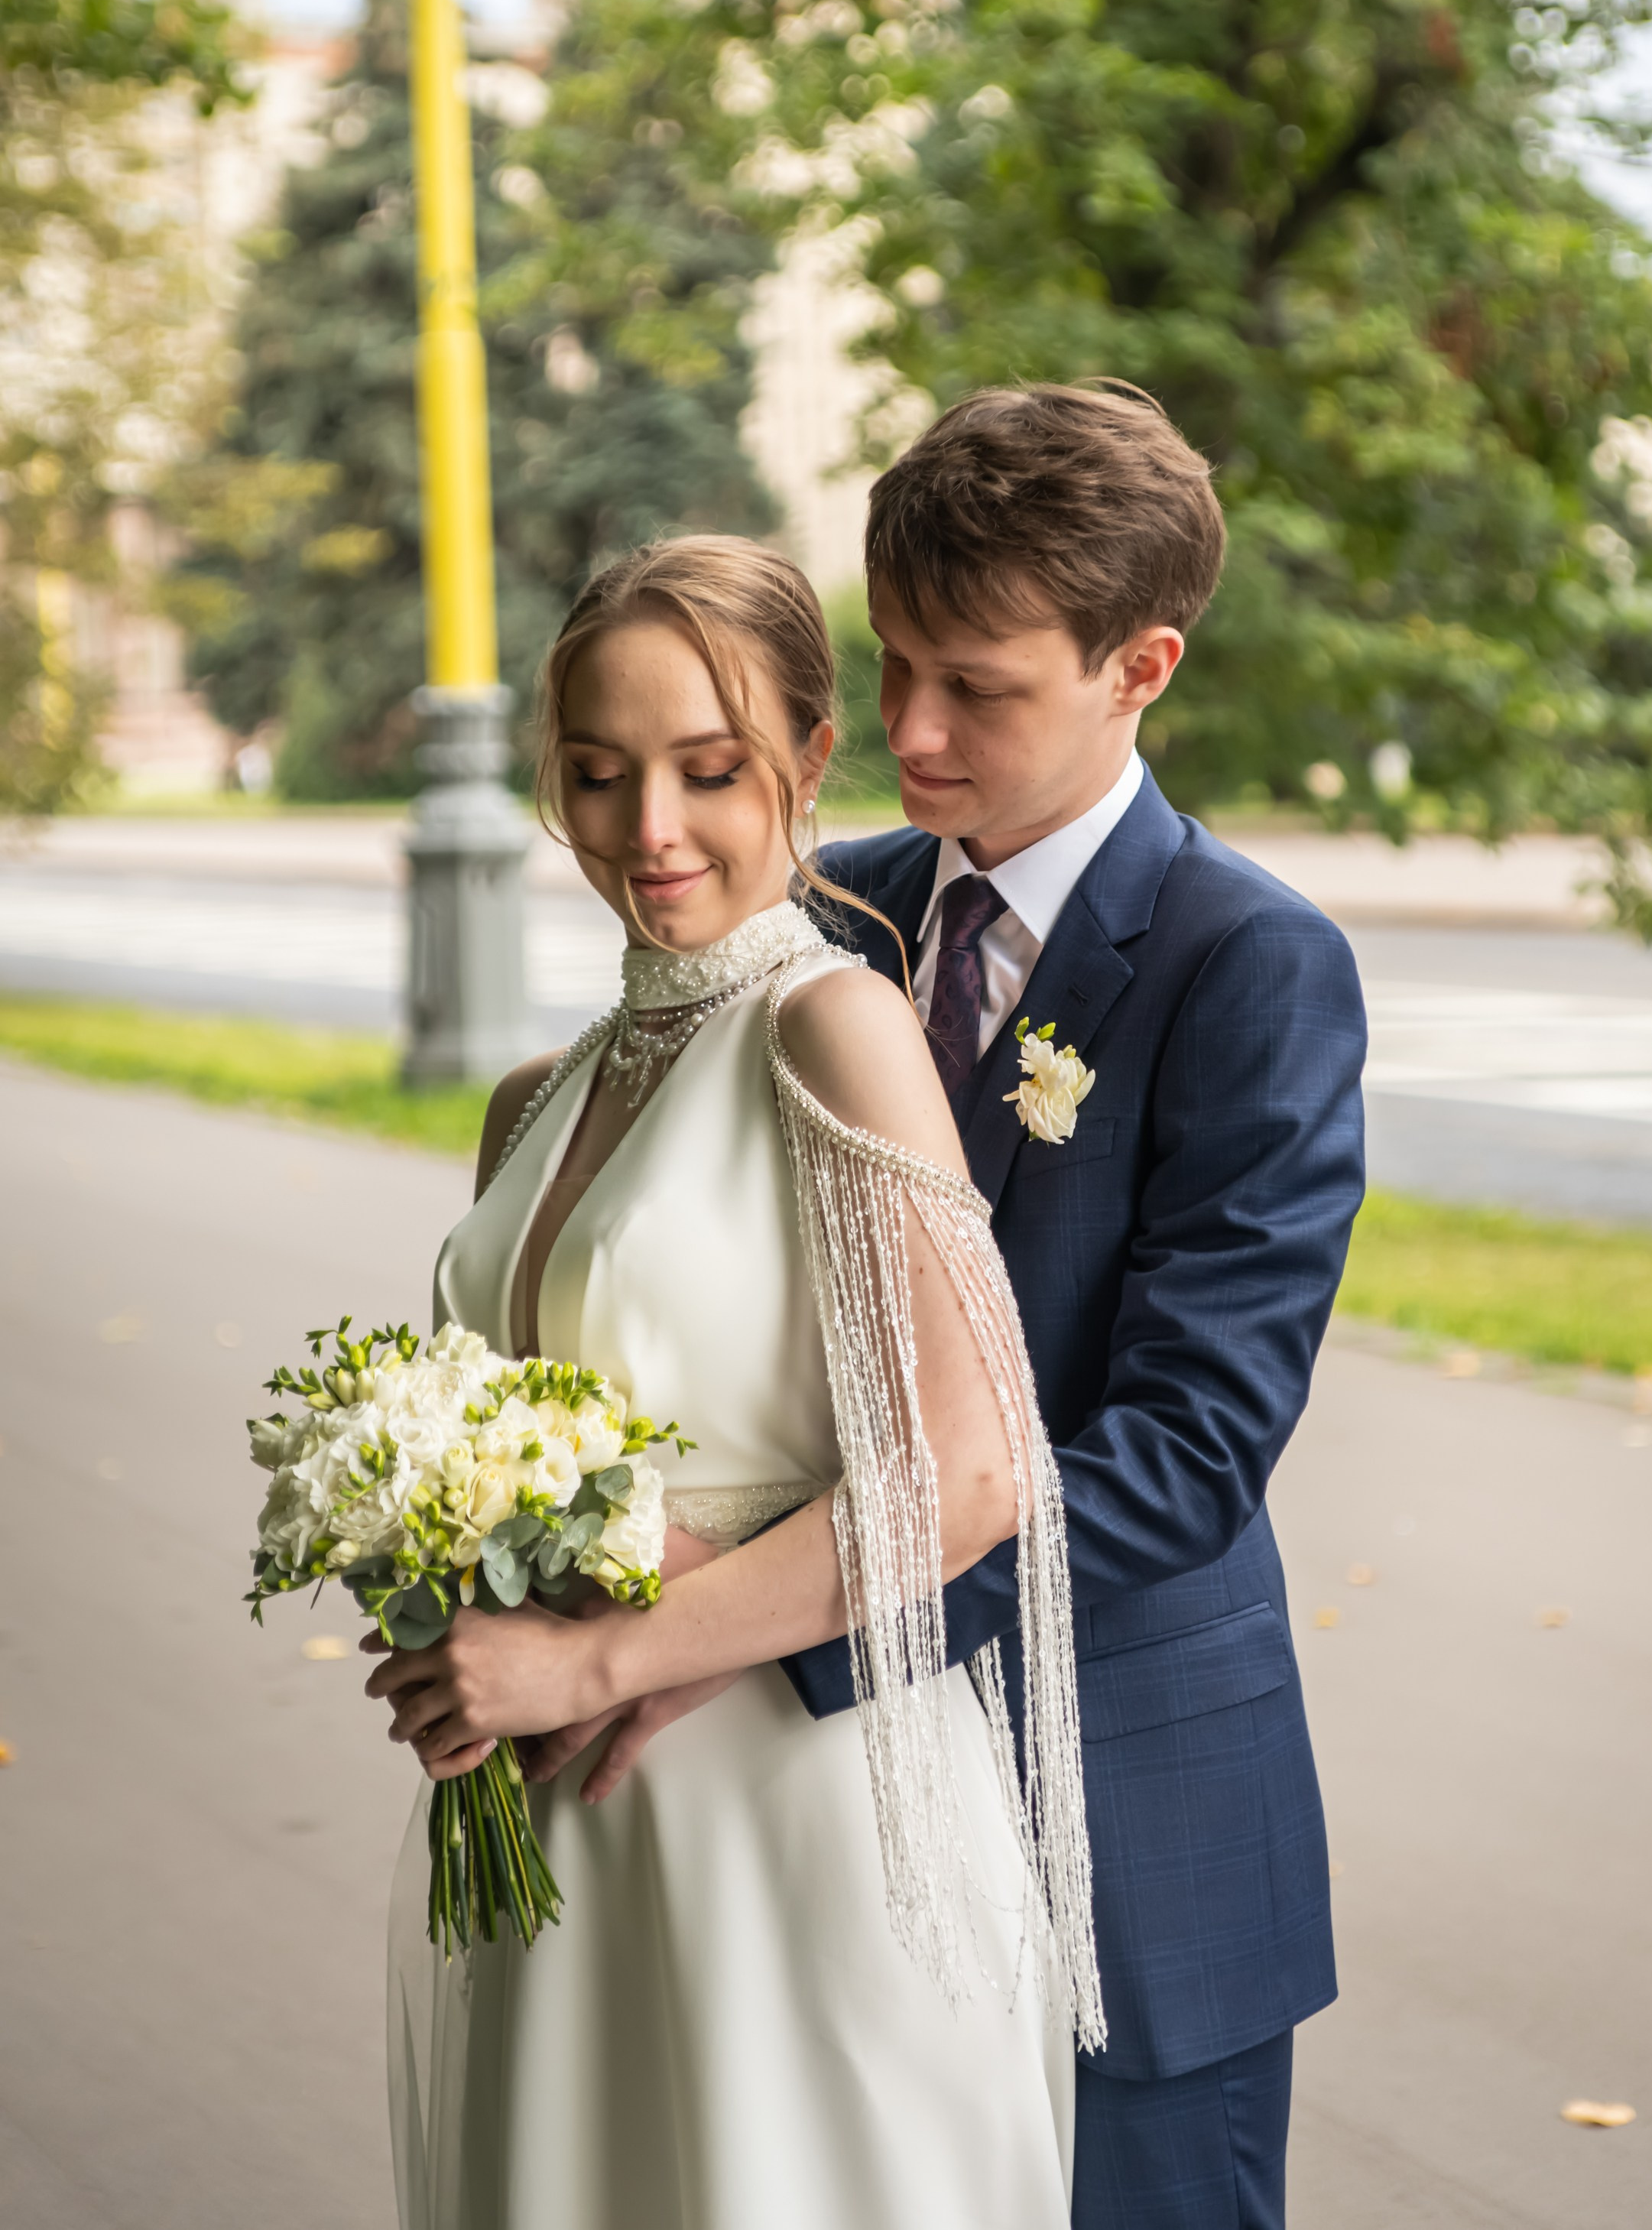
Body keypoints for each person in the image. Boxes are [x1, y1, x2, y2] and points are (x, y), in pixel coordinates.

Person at [366, 535, 1102, 2230]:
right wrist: (445, 1608)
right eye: (598, 774)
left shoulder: (828, 1026)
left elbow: (967, 1475)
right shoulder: (532, 1097)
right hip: (560, 1826)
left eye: (708, 769)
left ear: (809, 761)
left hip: (786, 1811)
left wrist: (594, 1651)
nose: (650, 831)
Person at [790, 384, 1368, 2230]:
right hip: (813, 1832)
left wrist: (785, 1624)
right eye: (887, 667)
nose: (908, 731)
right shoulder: (830, 918)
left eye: (974, 683)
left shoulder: (1247, 961)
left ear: (1140, 664)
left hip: (1124, 1815)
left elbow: (1183, 1455)